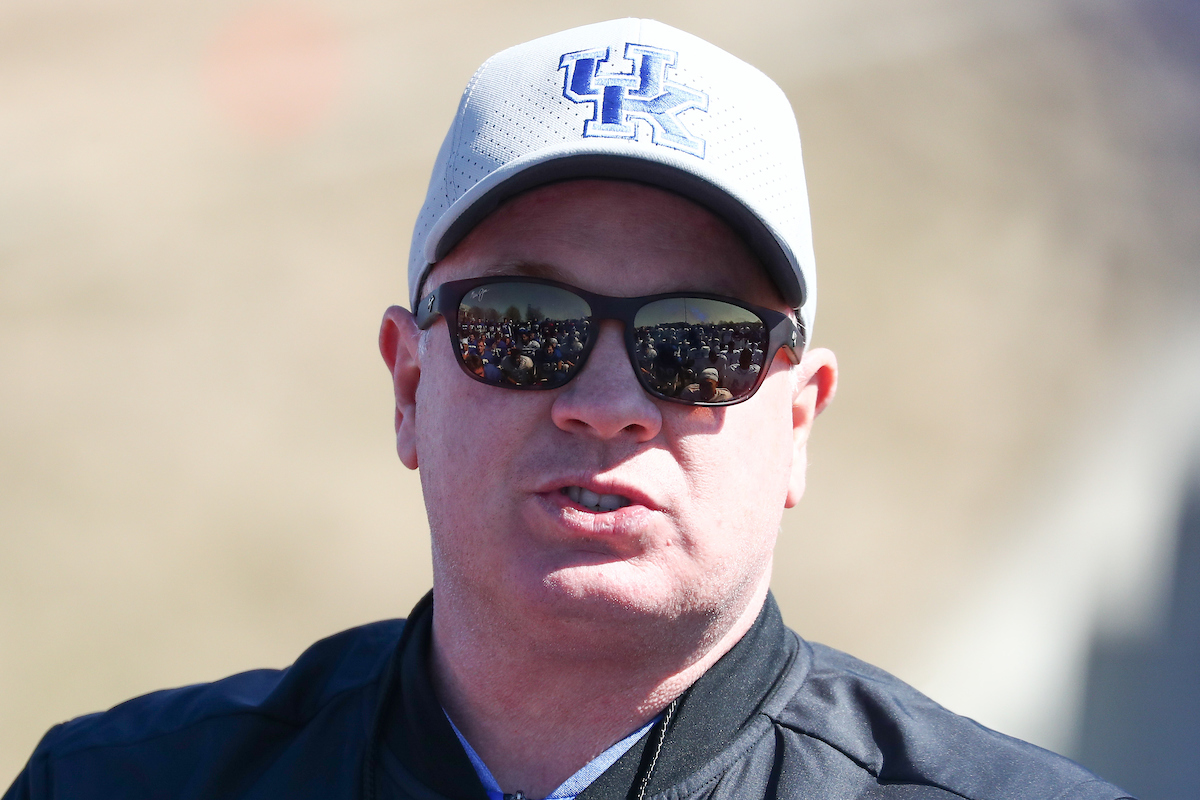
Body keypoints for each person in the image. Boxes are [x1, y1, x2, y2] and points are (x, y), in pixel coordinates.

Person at [4, 18, 1131, 800]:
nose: (606, 404)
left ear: (799, 419)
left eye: (697, 344)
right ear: (408, 382)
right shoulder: (118, 782)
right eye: (522, 325)